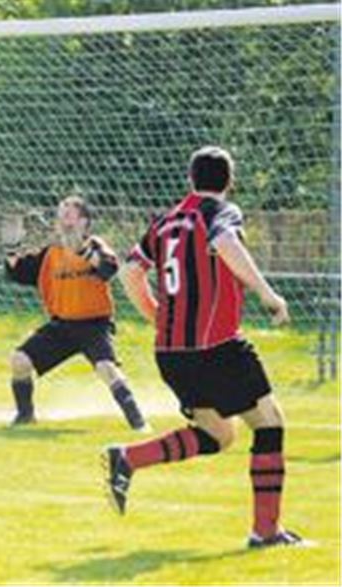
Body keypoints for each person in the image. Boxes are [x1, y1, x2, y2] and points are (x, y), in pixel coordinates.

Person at [109, 146, 302, 548]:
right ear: (229, 182)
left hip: (171, 354)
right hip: (216, 346)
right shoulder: (220, 213)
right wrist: (268, 295)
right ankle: (266, 532)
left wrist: (157, 315)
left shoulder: (163, 223)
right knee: (269, 424)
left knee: (218, 435)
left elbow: (129, 272)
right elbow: (227, 242)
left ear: (190, 179)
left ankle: (127, 458)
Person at [4, 196, 147, 431]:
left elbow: (108, 268)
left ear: (83, 222)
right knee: (20, 361)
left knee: (107, 369)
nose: (63, 220)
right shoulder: (50, 254)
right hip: (61, 327)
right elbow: (17, 272)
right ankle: (25, 416)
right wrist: (11, 248)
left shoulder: (95, 245)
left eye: (69, 215)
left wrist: (82, 250)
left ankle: (138, 422)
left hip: (94, 326)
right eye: (60, 215)